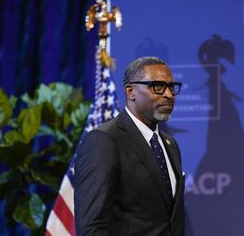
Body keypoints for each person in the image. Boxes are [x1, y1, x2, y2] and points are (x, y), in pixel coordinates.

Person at [74, 57, 185, 236]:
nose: (168, 94)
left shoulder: (170, 145)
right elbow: (91, 228)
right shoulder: (104, 141)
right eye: (158, 86)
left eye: (171, 87)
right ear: (131, 91)